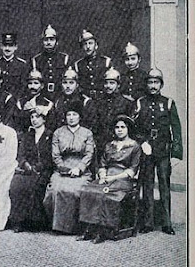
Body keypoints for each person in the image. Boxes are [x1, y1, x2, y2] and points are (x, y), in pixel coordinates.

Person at [133, 68, 183, 235]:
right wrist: (142, 142)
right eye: (150, 82)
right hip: (147, 150)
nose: (153, 86)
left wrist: (176, 154)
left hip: (163, 151)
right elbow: (134, 128)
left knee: (164, 185)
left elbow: (176, 129)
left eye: (156, 82)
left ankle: (166, 223)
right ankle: (147, 223)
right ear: (146, 84)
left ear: (161, 85)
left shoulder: (168, 103)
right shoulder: (140, 102)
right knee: (147, 185)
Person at [78, 115, 142, 243]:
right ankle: (90, 228)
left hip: (123, 179)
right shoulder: (109, 145)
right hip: (107, 177)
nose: (120, 130)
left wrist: (113, 177)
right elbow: (102, 164)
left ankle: (102, 230)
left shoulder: (134, 146)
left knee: (105, 193)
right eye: (117, 127)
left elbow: (132, 170)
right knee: (88, 190)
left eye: (123, 127)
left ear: (128, 129)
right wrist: (102, 176)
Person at [43, 102, 95, 234]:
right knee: (55, 189)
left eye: (74, 114)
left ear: (80, 117)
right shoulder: (58, 132)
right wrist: (62, 168)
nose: (71, 118)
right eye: (68, 115)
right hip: (62, 167)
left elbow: (89, 154)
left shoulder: (87, 133)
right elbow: (55, 154)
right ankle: (57, 226)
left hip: (81, 168)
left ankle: (74, 227)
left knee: (74, 190)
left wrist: (79, 168)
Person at [8, 108, 54, 232]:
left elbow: (51, 156)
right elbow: (21, 154)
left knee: (36, 186)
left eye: (37, 117)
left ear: (44, 119)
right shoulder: (27, 135)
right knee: (16, 185)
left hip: (43, 170)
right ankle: (18, 221)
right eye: (32, 117)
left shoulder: (50, 135)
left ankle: (35, 221)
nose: (34, 120)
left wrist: (39, 167)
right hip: (27, 169)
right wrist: (25, 164)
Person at [50, 67, 97, 132]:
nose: (67, 86)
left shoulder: (85, 102)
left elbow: (90, 125)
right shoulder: (58, 102)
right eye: (65, 82)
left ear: (77, 85)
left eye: (71, 82)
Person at [32, 24, 69, 101]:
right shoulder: (36, 59)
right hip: (42, 97)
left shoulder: (64, 58)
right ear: (42, 42)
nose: (48, 42)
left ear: (56, 42)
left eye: (51, 39)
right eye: (46, 40)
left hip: (61, 96)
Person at [73, 29, 112, 101]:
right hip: (85, 100)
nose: (88, 47)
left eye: (90, 43)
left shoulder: (106, 62)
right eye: (85, 44)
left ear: (96, 45)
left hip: (103, 100)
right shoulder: (78, 65)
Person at [0, 32, 29, 100]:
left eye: (10, 46)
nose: (7, 48)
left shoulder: (22, 65)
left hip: (16, 100)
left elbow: (24, 86)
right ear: (1, 46)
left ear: (15, 47)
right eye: (5, 45)